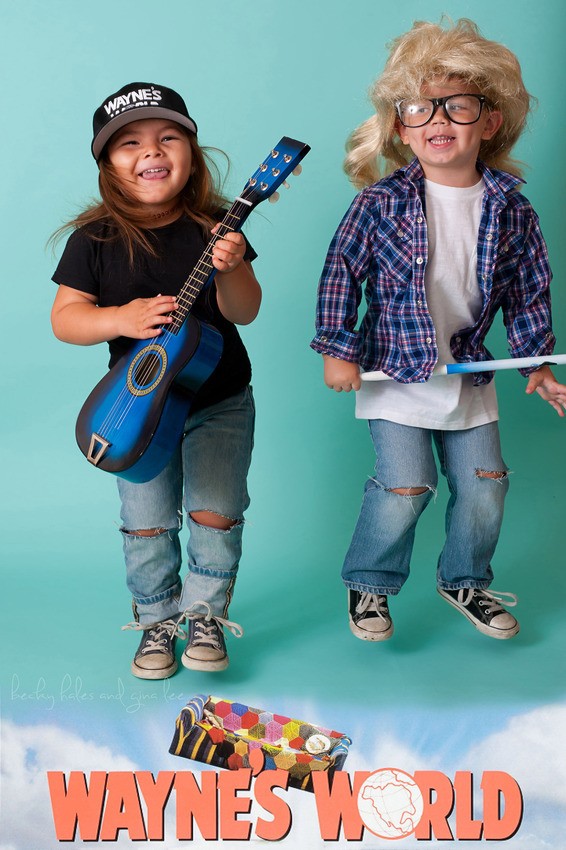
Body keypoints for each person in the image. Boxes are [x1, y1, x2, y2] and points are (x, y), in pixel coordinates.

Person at [311, 19, 566, 642]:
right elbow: (341, 273)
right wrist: (338, 349)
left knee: (486, 487)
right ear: (401, 128)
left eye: (458, 105)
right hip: (396, 375)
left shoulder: (512, 208)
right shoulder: (381, 202)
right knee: (406, 486)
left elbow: (528, 293)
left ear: (490, 121)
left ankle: (465, 580)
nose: (438, 119)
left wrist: (537, 364)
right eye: (419, 108)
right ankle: (370, 583)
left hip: (467, 374)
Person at [51, 82, 262, 678]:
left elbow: (245, 311)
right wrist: (120, 318)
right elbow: (66, 319)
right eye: (131, 143)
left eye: (169, 137)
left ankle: (205, 616)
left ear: (191, 153)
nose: (152, 151)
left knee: (216, 512)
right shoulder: (93, 239)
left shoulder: (217, 227)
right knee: (146, 522)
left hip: (219, 400)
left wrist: (233, 266)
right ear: (108, 164)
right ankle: (156, 621)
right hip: (136, 412)